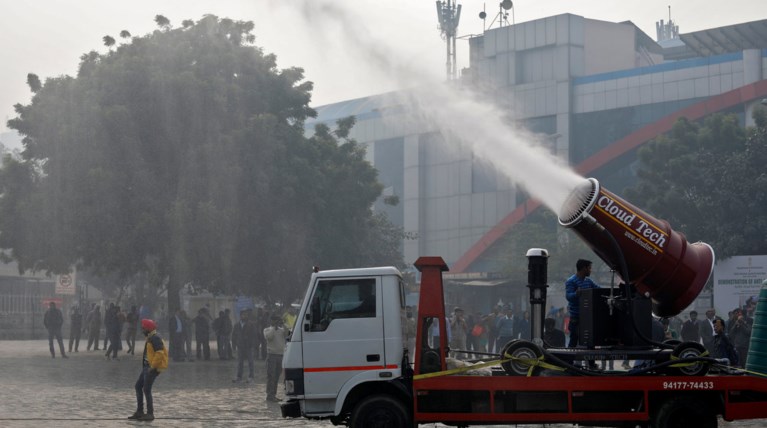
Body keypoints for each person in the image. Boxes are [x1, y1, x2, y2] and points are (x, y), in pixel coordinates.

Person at [128, 319, 168, 421]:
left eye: (143, 328)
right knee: (138, 386)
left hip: (151, 368)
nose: (142, 329)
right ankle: (140, 411)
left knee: (146, 389)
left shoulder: (155, 338)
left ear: (149, 328)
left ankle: (150, 413)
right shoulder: (150, 337)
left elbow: (160, 353)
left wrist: (152, 367)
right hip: (147, 367)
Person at [565, 259, 600, 349]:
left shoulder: (588, 281)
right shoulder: (571, 281)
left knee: (591, 340)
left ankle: (591, 363)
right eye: (589, 268)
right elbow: (568, 296)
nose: (590, 270)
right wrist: (576, 294)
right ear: (584, 268)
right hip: (576, 317)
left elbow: (598, 290)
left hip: (588, 316)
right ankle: (569, 361)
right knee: (573, 340)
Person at [263, 314, 287, 402]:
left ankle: (273, 394)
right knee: (271, 376)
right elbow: (269, 337)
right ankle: (270, 395)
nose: (275, 322)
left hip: (280, 356)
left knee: (276, 376)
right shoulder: (267, 330)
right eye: (274, 320)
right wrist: (274, 327)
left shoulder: (282, 330)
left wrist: (283, 323)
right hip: (271, 355)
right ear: (271, 321)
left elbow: (288, 333)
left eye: (277, 320)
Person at [232, 309, 258, 382]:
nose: (245, 316)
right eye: (243, 315)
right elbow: (233, 336)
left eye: (246, 315)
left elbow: (254, 336)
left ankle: (251, 377)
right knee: (240, 362)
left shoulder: (251, 325)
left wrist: (253, 346)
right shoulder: (237, 325)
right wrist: (234, 346)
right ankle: (239, 377)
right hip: (240, 346)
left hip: (249, 346)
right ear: (240, 316)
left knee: (250, 362)